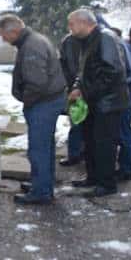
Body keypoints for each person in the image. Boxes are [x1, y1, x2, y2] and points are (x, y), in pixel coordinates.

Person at [0, 14, 67, 205]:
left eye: (3, 35)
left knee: (38, 149)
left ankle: (41, 191)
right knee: (45, 147)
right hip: (47, 100)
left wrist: (27, 101)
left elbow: (37, 82)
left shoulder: (31, 46)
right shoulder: (32, 41)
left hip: (42, 103)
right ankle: (42, 183)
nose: (3, 39)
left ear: (14, 31)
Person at [65, 9, 129, 197]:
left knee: (104, 144)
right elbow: (83, 71)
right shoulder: (87, 40)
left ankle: (107, 184)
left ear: (84, 23)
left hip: (108, 103)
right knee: (90, 142)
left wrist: (84, 91)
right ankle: (93, 177)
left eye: (72, 24)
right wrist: (77, 87)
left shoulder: (105, 38)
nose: (69, 28)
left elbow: (112, 72)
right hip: (94, 102)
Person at [111, 27, 131, 182]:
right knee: (123, 133)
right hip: (124, 95)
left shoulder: (121, 47)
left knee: (124, 133)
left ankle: (126, 169)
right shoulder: (124, 46)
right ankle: (124, 167)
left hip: (122, 96)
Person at [59, 32, 84, 168]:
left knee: (78, 123)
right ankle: (75, 154)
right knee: (76, 122)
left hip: (82, 87)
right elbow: (63, 64)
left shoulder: (94, 39)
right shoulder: (68, 41)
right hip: (75, 87)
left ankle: (77, 153)